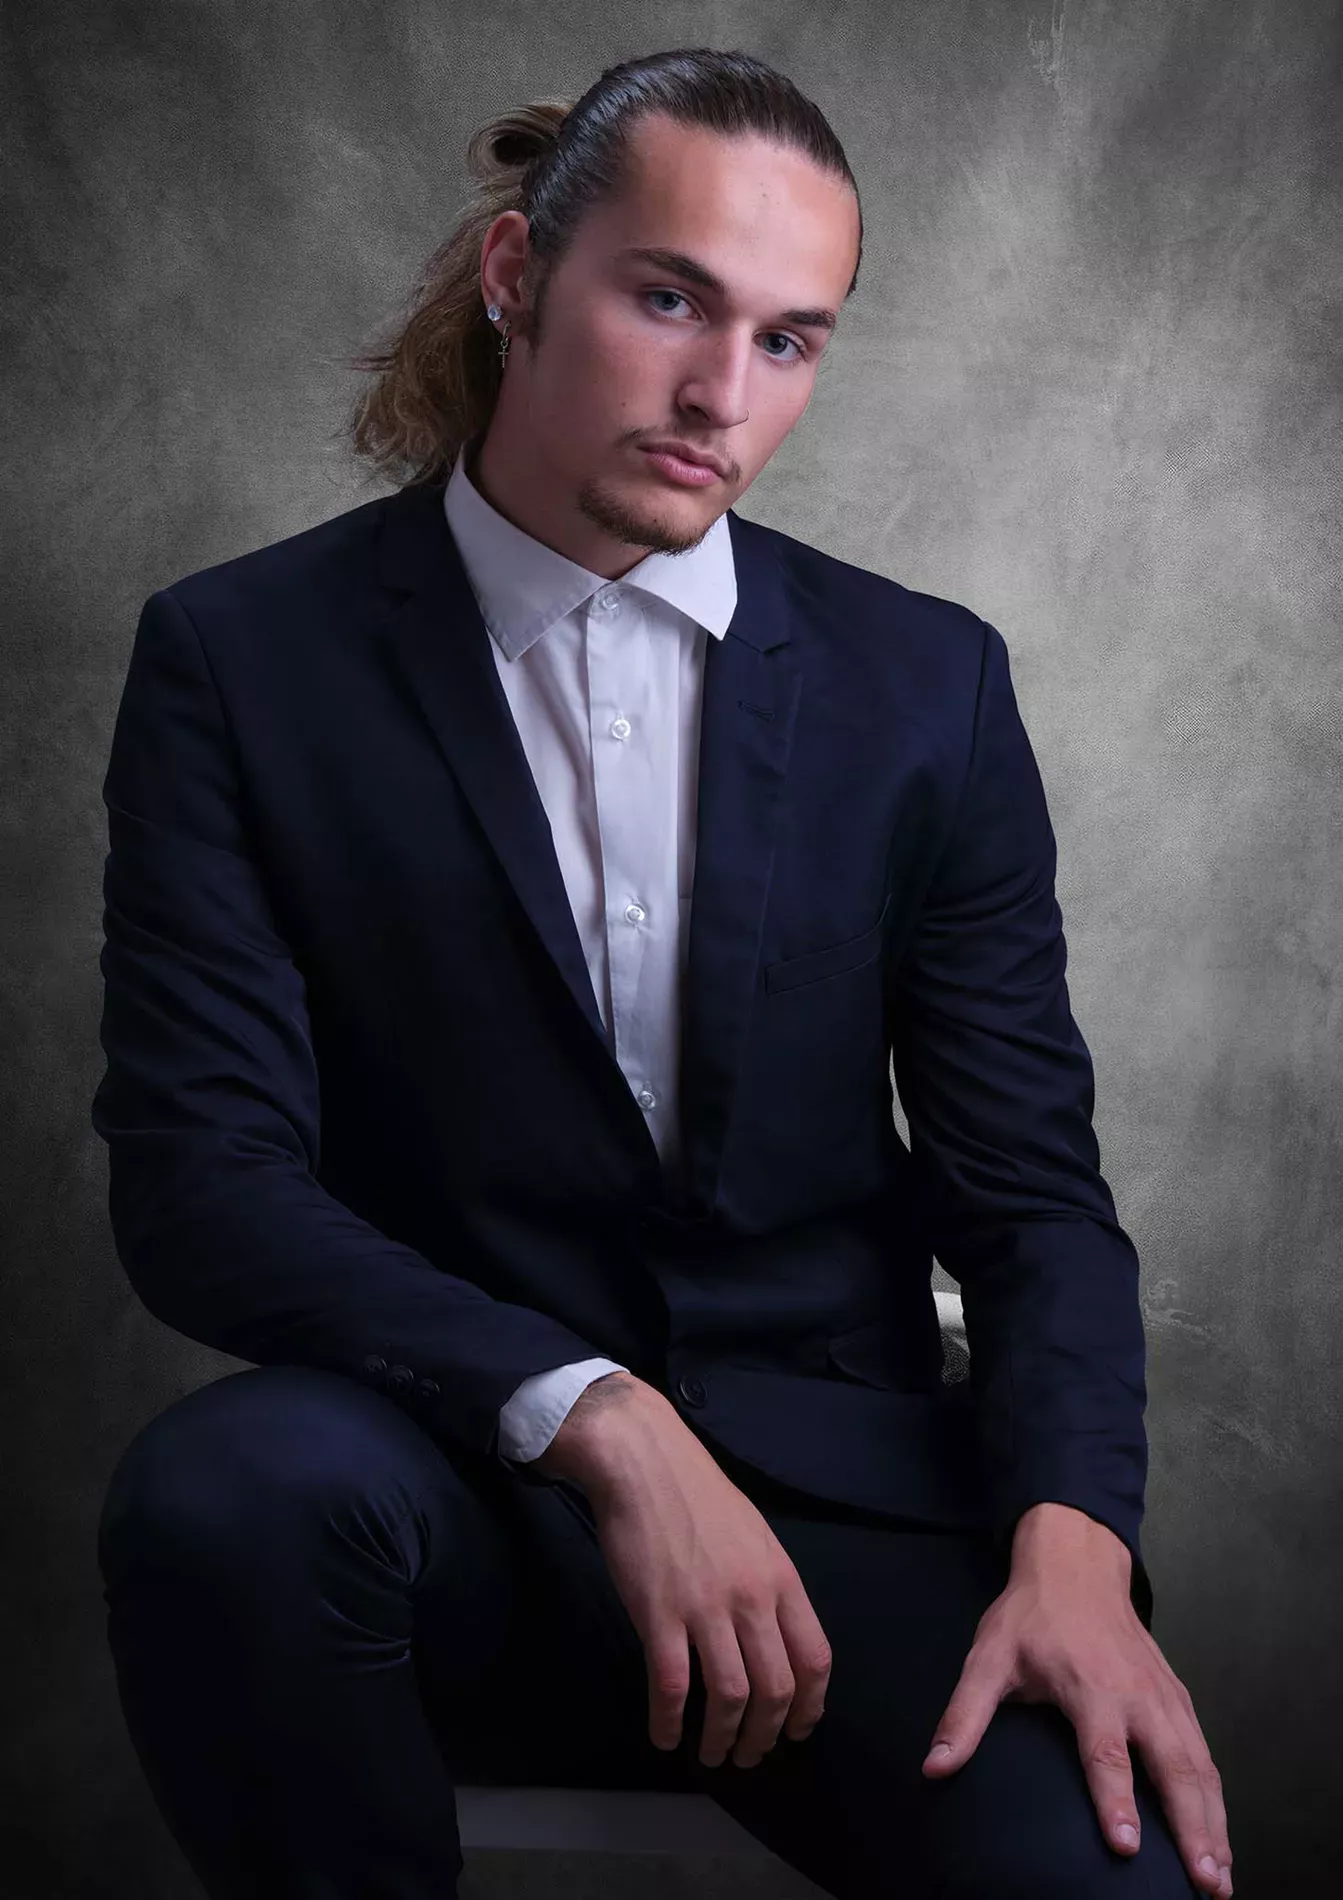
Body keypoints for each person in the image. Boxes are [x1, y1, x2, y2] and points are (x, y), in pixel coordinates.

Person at [91, 44, 1231, 1900]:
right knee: (223, 1494)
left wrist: (1073, 1549)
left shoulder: (923, 684)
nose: (722, 395)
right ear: (517, 274)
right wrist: (598, 1415)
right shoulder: (242, 659)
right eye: (671, 300)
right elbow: (201, 1186)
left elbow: (1030, 1197)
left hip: (850, 1516)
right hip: (448, 1479)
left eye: (788, 340)